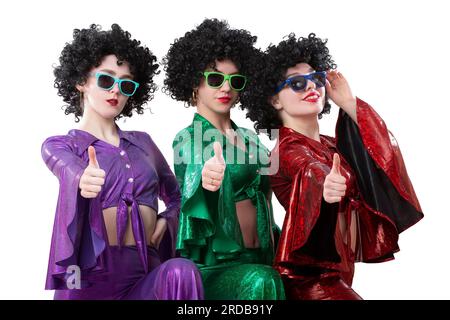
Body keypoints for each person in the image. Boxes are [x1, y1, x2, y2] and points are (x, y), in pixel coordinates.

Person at [242, 33, 423, 300]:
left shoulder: (330, 146)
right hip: (311, 284)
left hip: (338, 277)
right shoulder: (288, 151)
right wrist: (326, 186)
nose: (311, 87)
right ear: (275, 100)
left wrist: (349, 103)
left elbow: (381, 156)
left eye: (316, 79)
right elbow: (310, 171)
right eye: (297, 83)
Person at [42, 24, 203, 300]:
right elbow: (66, 167)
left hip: (143, 274)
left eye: (125, 84)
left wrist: (168, 217)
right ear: (82, 81)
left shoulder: (144, 144)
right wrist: (83, 177)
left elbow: (178, 197)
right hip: (87, 280)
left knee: (181, 271)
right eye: (106, 80)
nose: (116, 90)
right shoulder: (61, 145)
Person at [163, 18, 285, 300]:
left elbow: (269, 197)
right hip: (217, 266)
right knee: (262, 282)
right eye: (215, 78)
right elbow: (194, 169)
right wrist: (207, 180)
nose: (226, 88)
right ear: (194, 83)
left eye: (235, 80)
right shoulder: (189, 138)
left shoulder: (252, 137)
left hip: (264, 256)